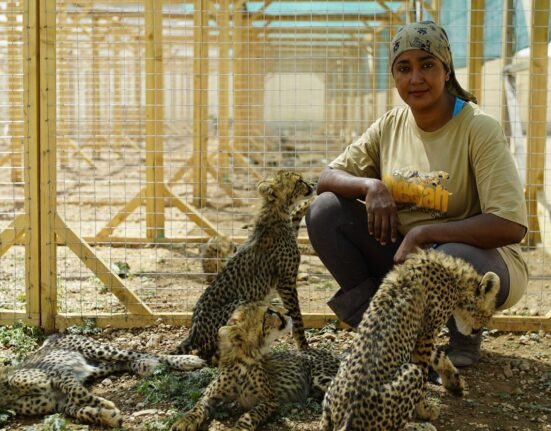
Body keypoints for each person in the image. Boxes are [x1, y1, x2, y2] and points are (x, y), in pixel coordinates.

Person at [306, 21, 528, 367]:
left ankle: (465, 338)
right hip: (404, 257)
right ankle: (381, 334)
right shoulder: (390, 125)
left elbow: (509, 225)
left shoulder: (478, 128)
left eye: (427, 65)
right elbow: (326, 177)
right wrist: (371, 186)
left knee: (448, 255)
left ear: (446, 69)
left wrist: (426, 233)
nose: (416, 78)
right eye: (403, 68)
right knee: (325, 212)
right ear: (394, 76)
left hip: (480, 261)